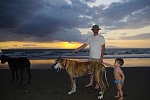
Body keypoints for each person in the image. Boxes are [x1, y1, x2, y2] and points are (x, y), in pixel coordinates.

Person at [72, 25, 105, 89]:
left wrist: (101, 57)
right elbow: (84, 45)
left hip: (98, 57)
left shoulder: (101, 37)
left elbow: (103, 48)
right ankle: (91, 83)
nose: (95, 30)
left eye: (96, 29)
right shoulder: (90, 37)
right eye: (94, 29)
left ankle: (98, 84)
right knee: (90, 71)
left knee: (97, 72)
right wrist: (76, 50)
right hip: (91, 57)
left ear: (98, 30)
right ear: (92, 30)